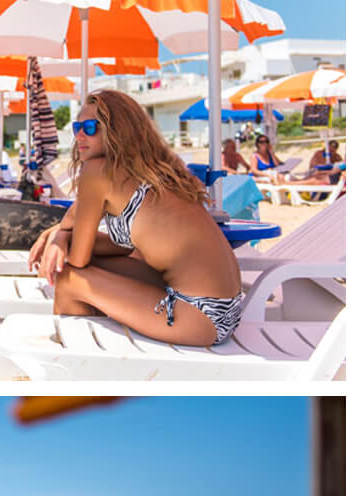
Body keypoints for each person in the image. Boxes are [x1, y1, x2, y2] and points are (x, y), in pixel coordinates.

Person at [27, 89, 242, 347]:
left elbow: (78, 260)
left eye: (90, 127)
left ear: (117, 131)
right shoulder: (153, 170)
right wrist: (61, 234)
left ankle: (79, 365)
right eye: (76, 127)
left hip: (197, 313)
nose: (80, 135)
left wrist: (61, 238)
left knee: (69, 280)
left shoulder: (98, 171)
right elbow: (124, 246)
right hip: (226, 308)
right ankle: (92, 352)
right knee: (86, 268)